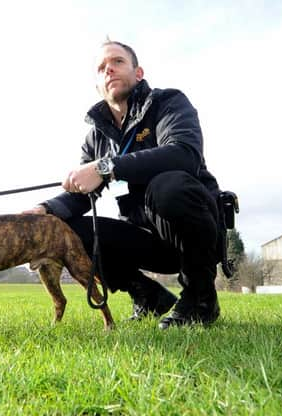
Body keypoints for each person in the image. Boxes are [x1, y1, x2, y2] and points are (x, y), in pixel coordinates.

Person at [24, 40, 223, 328]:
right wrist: (45, 210)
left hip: (194, 230)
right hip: (145, 238)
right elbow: (81, 196)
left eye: (117, 62)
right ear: (98, 86)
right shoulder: (97, 137)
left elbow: (184, 154)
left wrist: (105, 167)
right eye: (102, 68)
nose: (109, 70)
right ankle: (147, 295)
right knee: (64, 229)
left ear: (138, 72)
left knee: (167, 186)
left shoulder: (167, 103)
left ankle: (200, 299)